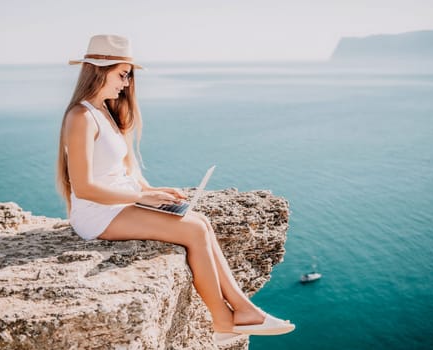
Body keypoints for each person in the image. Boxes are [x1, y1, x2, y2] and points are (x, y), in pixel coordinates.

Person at [56, 34, 295, 345]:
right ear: (100, 70)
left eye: (128, 76)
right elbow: (85, 187)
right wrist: (142, 197)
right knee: (193, 230)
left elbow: (124, 171)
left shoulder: (106, 111)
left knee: (201, 222)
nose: (127, 84)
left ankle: (242, 311)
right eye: (122, 74)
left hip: (118, 205)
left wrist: (154, 191)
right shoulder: (81, 116)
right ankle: (226, 318)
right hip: (96, 214)